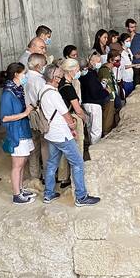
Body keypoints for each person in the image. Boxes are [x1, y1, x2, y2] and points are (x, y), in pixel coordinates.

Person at [39, 64, 100, 207]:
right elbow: (66, 114)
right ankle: (81, 196)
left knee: (52, 163)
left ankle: (48, 194)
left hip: (51, 134)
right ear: (54, 78)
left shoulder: (43, 90)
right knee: (78, 162)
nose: (61, 79)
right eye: (60, 76)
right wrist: (72, 125)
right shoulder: (54, 94)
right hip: (61, 134)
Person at [0, 63, 36, 205]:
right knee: (17, 165)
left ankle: (20, 189)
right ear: (16, 74)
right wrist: (25, 113)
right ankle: (16, 195)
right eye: (24, 73)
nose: (25, 76)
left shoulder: (19, 90)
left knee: (23, 162)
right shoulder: (8, 93)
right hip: (16, 132)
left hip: (23, 130)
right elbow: (4, 117)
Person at [55, 58, 87, 188]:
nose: (78, 71)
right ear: (71, 70)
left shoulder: (60, 84)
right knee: (76, 149)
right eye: (77, 69)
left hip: (61, 120)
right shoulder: (69, 88)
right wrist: (84, 118)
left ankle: (63, 177)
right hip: (72, 118)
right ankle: (76, 177)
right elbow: (77, 109)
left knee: (64, 150)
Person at [25, 53, 51, 180]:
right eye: (45, 63)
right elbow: (44, 100)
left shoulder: (24, 77)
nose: (46, 66)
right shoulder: (39, 80)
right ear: (38, 66)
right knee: (45, 145)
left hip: (27, 115)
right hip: (39, 115)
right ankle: (47, 175)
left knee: (33, 148)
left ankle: (34, 175)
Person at [80, 53, 110, 145]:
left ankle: (90, 148)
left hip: (85, 103)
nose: (100, 63)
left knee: (90, 128)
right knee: (96, 130)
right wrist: (106, 92)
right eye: (98, 61)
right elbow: (95, 92)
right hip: (94, 104)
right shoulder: (90, 75)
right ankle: (95, 149)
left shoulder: (86, 74)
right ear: (91, 61)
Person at [99, 48, 122, 134]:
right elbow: (104, 84)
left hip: (113, 96)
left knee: (112, 117)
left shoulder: (109, 70)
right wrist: (110, 94)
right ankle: (106, 134)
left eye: (119, 60)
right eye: (116, 60)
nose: (118, 62)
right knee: (108, 119)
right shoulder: (104, 70)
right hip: (109, 98)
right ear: (110, 60)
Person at [126, 18, 140, 85]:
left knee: (137, 84)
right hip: (128, 66)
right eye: (132, 27)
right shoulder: (124, 37)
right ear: (127, 28)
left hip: (137, 65)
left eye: (135, 27)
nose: (134, 29)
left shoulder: (139, 37)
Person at [116, 33, 138, 98]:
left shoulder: (129, 50)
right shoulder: (121, 53)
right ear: (122, 42)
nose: (129, 42)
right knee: (127, 96)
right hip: (125, 78)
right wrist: (134, 65)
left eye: (130, 41)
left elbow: (130, 60)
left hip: (131, 76)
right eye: (127, 41)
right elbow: (123, 66)